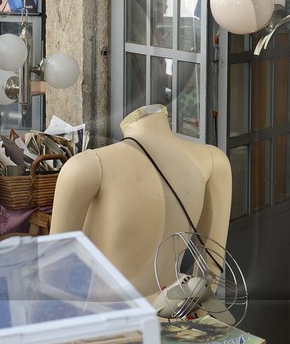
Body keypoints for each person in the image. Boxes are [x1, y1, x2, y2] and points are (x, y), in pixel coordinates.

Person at [50, 104, 231, 298]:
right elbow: (212, 269)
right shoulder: (213, 160)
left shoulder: (84, 166)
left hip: (108, 311)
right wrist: (191, 313)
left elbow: (54, 273)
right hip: (172, 307)